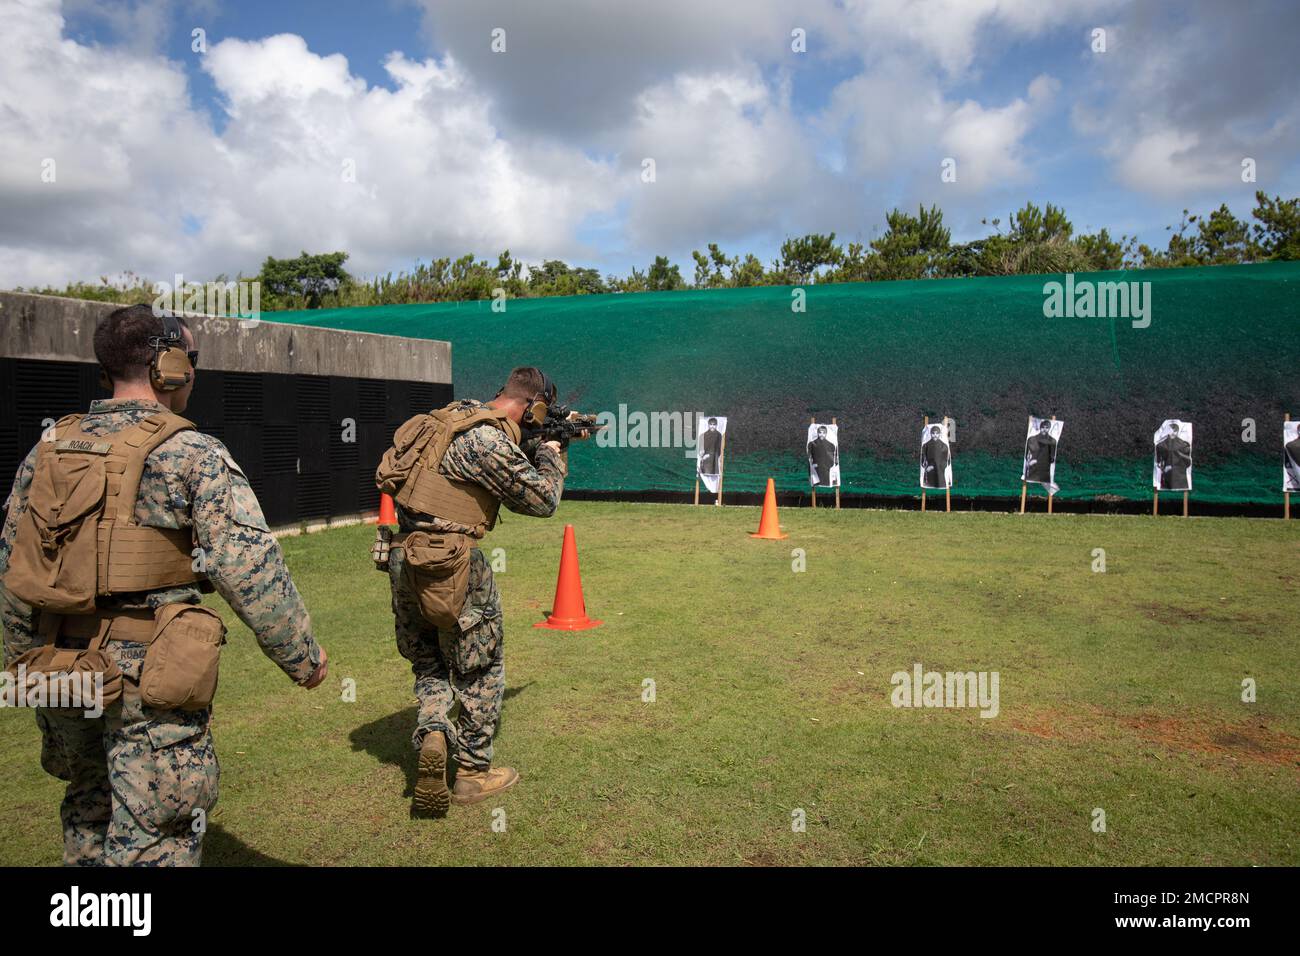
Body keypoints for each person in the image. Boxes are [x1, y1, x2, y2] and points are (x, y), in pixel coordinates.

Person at [0, 304, 328, 866]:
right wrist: (303, 657)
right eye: (191, 359)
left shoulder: (49, 447)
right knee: (158, 830)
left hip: (58, 667)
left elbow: (13, 567)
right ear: (169, 366)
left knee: (88, 807)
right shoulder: (191, 452)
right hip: (145, 675)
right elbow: (249, 568)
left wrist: (19, 661)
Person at [377, 367, 565, 814]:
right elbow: (543, 500)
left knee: (428, 661)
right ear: (534, 408)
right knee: (480, 668)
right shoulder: (487, 441)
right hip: (453, 565)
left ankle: (436, 730)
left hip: (404, 558)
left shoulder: (448, 417)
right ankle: (472, 774)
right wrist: (552, 453)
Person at [1155, 421, 1192, 490]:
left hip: (1178, 475)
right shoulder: (1161, 445)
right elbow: (1158, 463)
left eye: (1173, 430)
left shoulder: (1184, 445)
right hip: (1170, 475)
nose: (1171, 433)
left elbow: (1188, 462)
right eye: (1170, 430)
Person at [1024, 420, 1057, 485]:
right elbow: (1026, 456)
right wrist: (1029, 463)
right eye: (1043, 427)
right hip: (1032, 471)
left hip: (1045, 472)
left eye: (1046, 427)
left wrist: (1036, 461)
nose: (1044, 429)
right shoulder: (1031, 439)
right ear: (1040, 427)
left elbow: (1052, 459)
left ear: (1049, 428)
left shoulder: (1053, 441)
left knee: (1048, 488)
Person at [920, 424, 950, 489]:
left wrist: (935, 466)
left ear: (940, 434)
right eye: (933, 433)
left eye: (937, 433)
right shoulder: (926, 445)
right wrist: (926, 466)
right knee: (928, 485)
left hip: (940, 472)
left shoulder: (944, 446)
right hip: (928, 472)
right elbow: (923, 459)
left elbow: (946, 460)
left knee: (940, 483)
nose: (935, 435)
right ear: (930, 434)